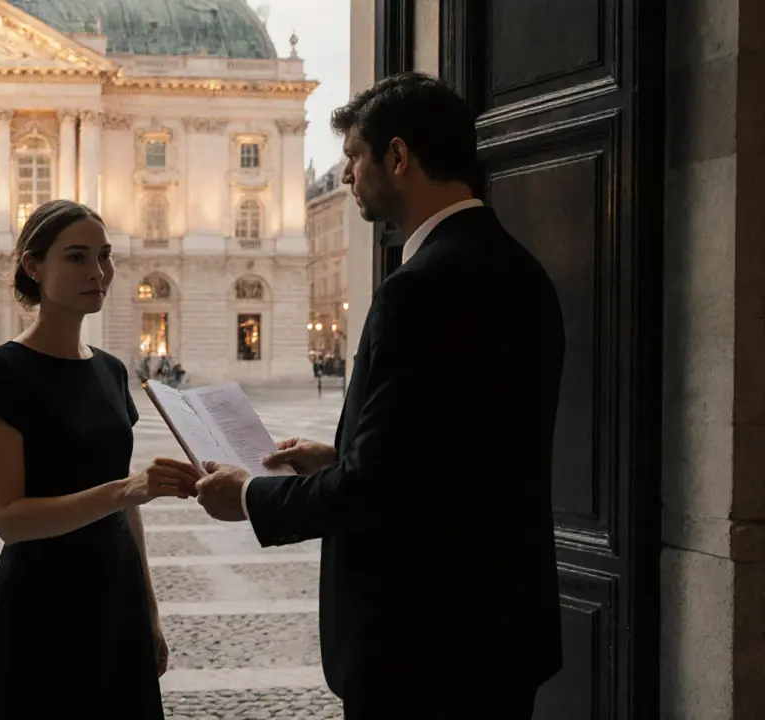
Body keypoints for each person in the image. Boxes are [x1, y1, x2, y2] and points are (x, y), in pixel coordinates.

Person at [154, 72, 566, 719]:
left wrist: (250, 496)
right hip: (499, 626)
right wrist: (338, 456)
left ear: (397, 157)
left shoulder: (420, 289)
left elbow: (379, 491)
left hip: (421, 644)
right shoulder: (522, 270)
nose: (345, 176)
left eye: (353, 157)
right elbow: (455, 450)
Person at [0, 199, 186, 718]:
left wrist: (149, 609)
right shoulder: (2, 371)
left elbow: (127, 510)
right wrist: (126, 489)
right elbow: (9, 519)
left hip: (116, 594)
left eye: (104, 256)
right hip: (40, 604)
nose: (98, 272)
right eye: (77, 257)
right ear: (33, 266)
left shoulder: (111, 370)